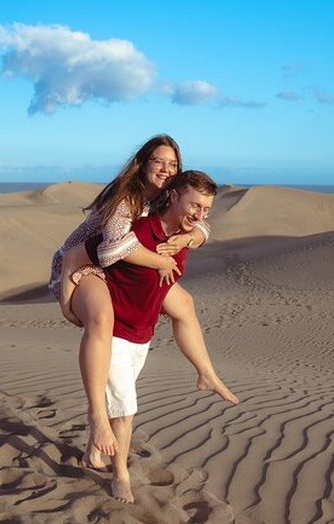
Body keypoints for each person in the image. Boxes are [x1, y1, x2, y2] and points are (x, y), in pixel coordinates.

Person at [47, 135, 237, 466]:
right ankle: (97, 417)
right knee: (102, 319)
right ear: (143, 163)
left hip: (124, 272)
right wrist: (164, 261)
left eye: (173, 164)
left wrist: (190, 237)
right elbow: (109, 250)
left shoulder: (169, 197)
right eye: (158, 161)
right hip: (86, 266)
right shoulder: (126, 199)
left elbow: (201, 222)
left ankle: (206, 373)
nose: (166, 169)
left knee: (185, 305)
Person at [83, 170, 230, 503]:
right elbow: (99, 251)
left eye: (206, 209)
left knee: (118, 398)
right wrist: (67, 276)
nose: (200, 215)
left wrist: (192, 234)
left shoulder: (185, 234)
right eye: (195, 206)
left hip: (142, 332)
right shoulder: (137, 230)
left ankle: (92, 455)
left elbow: (201, 230)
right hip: (115, 330)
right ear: (174, 196)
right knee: (125, 407)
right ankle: (120, 474)